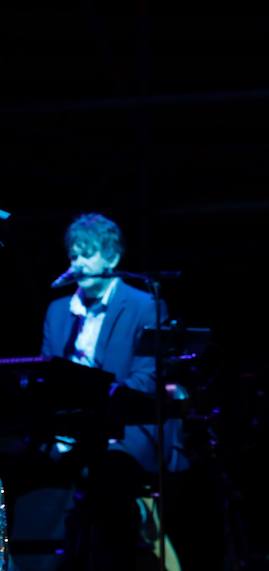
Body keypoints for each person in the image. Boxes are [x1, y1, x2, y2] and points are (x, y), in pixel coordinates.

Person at [40, 212, 188, 570]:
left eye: (87, 254)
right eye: (74, 255)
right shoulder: (59, 310)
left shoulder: (143, 305)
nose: (78, 263)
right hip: (70, 434)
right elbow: (47, 378)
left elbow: (145, 379)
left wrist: (94, 405)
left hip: (128, 431)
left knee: (107, 479)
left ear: (112, 258)